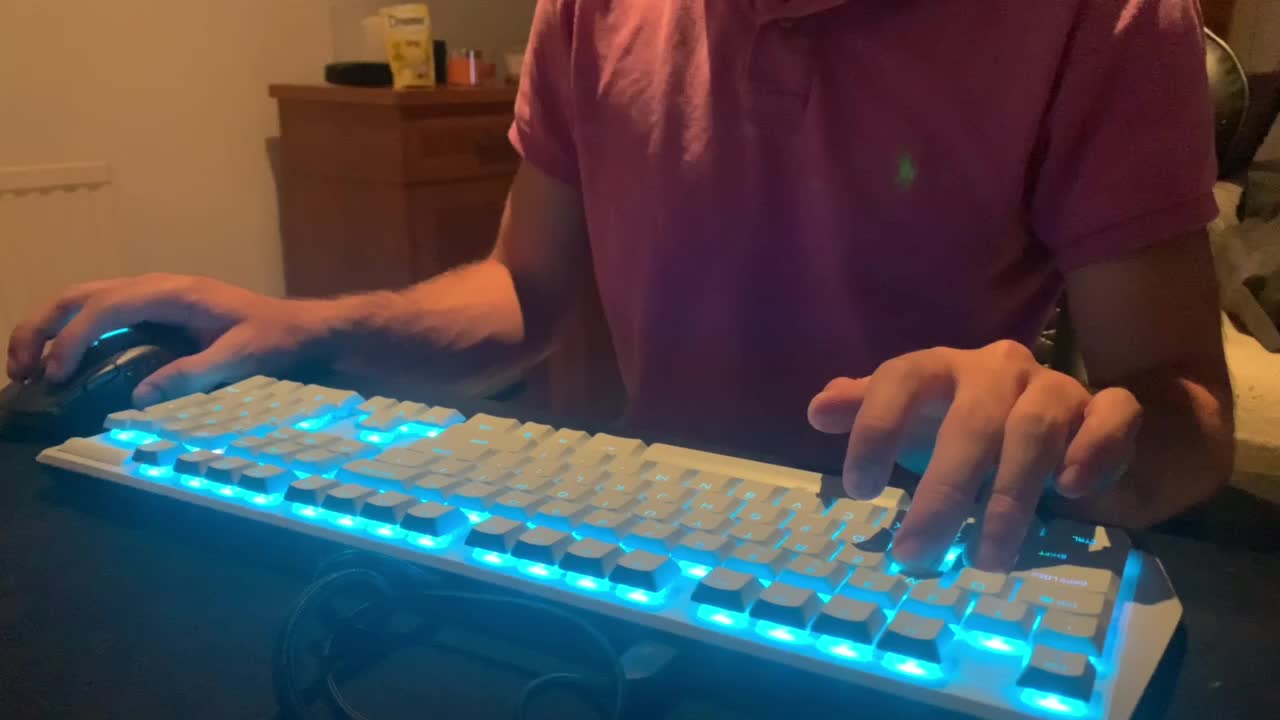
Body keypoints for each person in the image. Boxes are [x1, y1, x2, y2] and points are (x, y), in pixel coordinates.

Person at [6, 0, 1233, 574]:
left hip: (915, 569)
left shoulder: (1108, 20)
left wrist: (1085, 442)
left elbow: (1186, 411)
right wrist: (307, 326)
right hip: (638, 548)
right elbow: (525, 293)